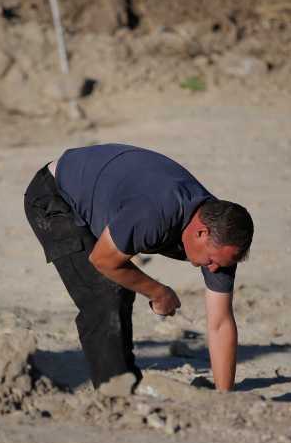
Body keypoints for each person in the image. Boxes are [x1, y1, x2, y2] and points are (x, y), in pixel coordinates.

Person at [24, 143, 253, 394]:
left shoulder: (221, 239)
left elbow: (220, 323)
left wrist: (224, 396)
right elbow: (102, 260)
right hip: (54, 196)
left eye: (222, 264)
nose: (215, 267)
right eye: (212, 260)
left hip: (107, 195)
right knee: (107, 292)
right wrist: (158, 292)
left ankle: (124, 389)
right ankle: (117, 396)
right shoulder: (156, 213)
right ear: (201, 232)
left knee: (119, 280)